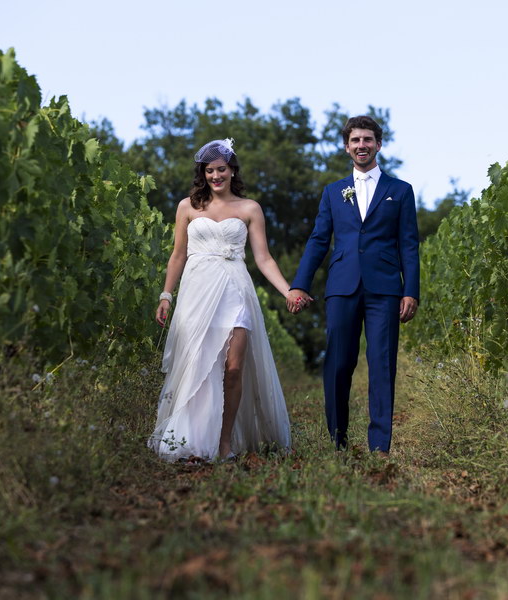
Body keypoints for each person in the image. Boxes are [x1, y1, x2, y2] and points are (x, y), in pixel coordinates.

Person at [148, 139, 302, 462]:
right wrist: (166, 295)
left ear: (232, 170)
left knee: (233, 368)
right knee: (199, 366)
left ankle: (225, 441)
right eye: (209, 171)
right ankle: (190, 436)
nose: (215, 176)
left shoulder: (250, 209)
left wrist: (288, 290)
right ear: (202, 174)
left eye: (221, 169)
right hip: (197, 293)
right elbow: (177, 256)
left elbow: (264, 259)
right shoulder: (187, 207)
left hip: (235, 290)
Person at [287, 116, 420, 454]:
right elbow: (319, 240)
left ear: (378, 144)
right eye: (355, 140)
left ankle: (379, 447)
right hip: (342, 287)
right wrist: (300, 284)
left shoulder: (400, 191)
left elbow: (408, 243)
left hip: (386, 289)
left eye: (368, 139)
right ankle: (338, 442)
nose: (362, 145)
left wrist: (411, 290)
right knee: (338, 364)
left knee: (382, 365)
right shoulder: (333, 192)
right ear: (347, 146)